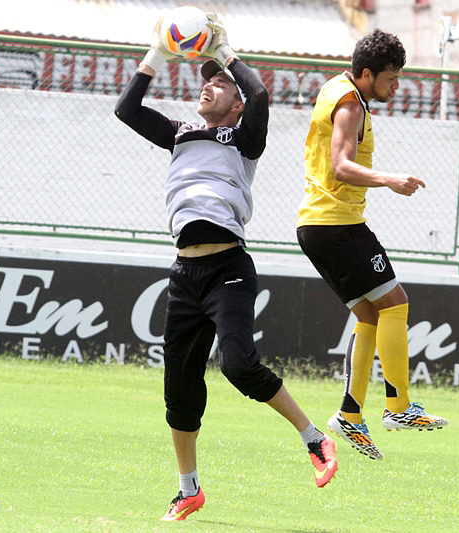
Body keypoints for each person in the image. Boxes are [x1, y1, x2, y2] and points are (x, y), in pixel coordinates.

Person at [115, 14, 337, 521]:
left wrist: (224, 51)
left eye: (218, 83)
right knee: (179, 388)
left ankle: (314, 439)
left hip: (228, 268)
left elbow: (259, 97)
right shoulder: (179, 134)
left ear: (235, 104)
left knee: (238, 365)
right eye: (206, 80)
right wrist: (158, 54)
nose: (209, 85)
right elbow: (127, 109)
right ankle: (188, 488)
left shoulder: (244, 138)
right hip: (184, 275)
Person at [296, 29, 448, 461]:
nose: (396, 86)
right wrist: (389, 180)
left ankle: (350, 413)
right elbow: (341, 166)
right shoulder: (348, 103)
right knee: (395, 303)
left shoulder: (339, 89)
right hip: (336, 225)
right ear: (366, 74)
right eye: (390, 78)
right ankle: (398, 407)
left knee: (369, 313)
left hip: (321, 225)